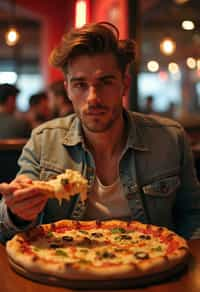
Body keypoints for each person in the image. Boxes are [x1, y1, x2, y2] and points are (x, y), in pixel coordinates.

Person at [0, 22, 200, 243]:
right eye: (80, 85)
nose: (93, 97)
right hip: (66, 268)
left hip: (155, 269)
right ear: (67, 89)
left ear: (124, 84)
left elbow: (193, 216)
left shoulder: (170, 138)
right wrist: (17, 214)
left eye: (105, 82)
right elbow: (5, 228)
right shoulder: (42, 141)